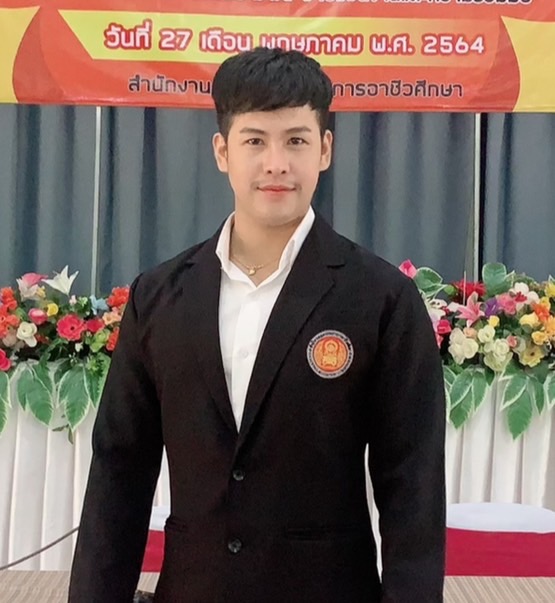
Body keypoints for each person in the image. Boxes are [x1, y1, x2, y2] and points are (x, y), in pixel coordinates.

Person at [69, 47, 445, 603]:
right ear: (222, 151)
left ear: (325, 149)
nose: (276, 163)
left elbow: (412, 486)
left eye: (295, 140)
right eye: (254, 141)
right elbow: (118, 473)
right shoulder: (160, 295)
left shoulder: (382, 298)